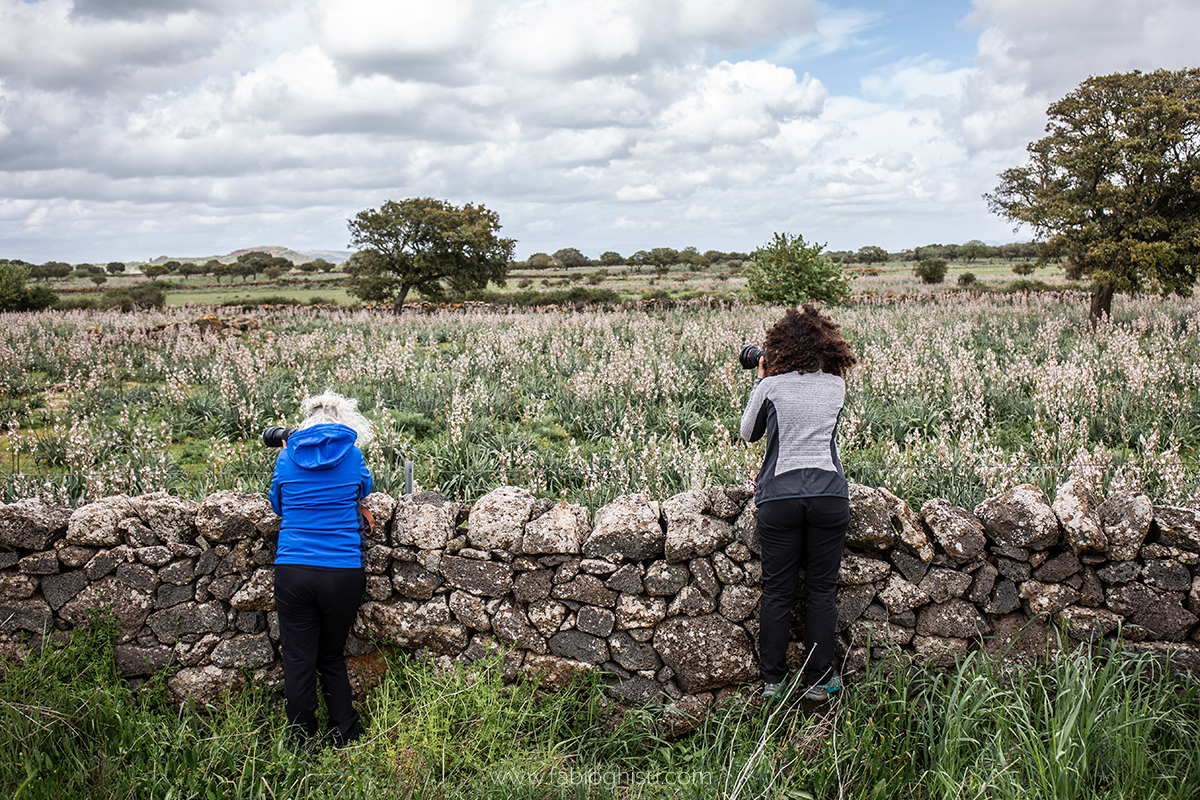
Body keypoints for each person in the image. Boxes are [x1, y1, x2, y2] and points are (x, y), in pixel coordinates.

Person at [739, 304, 857, 702]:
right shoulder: (836, 385)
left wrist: (762, 380)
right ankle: (821, 681)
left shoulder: (771, 386)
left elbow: (747, 434)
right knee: (822, 591)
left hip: (780, 497)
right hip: (829, 493)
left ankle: (773, 681)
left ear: (779, 348)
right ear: (828, 346)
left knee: (778, 591)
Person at [268, 390, 374, 746]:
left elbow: (278, 505)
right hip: (343, 570)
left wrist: (289, 459)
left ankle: (300, 740)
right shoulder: (353, 454)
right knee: (331, 656)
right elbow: (365, 487)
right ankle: (346, 733)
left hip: (293, 569)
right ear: (342, 422)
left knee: (298, 659)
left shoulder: (287, 458)